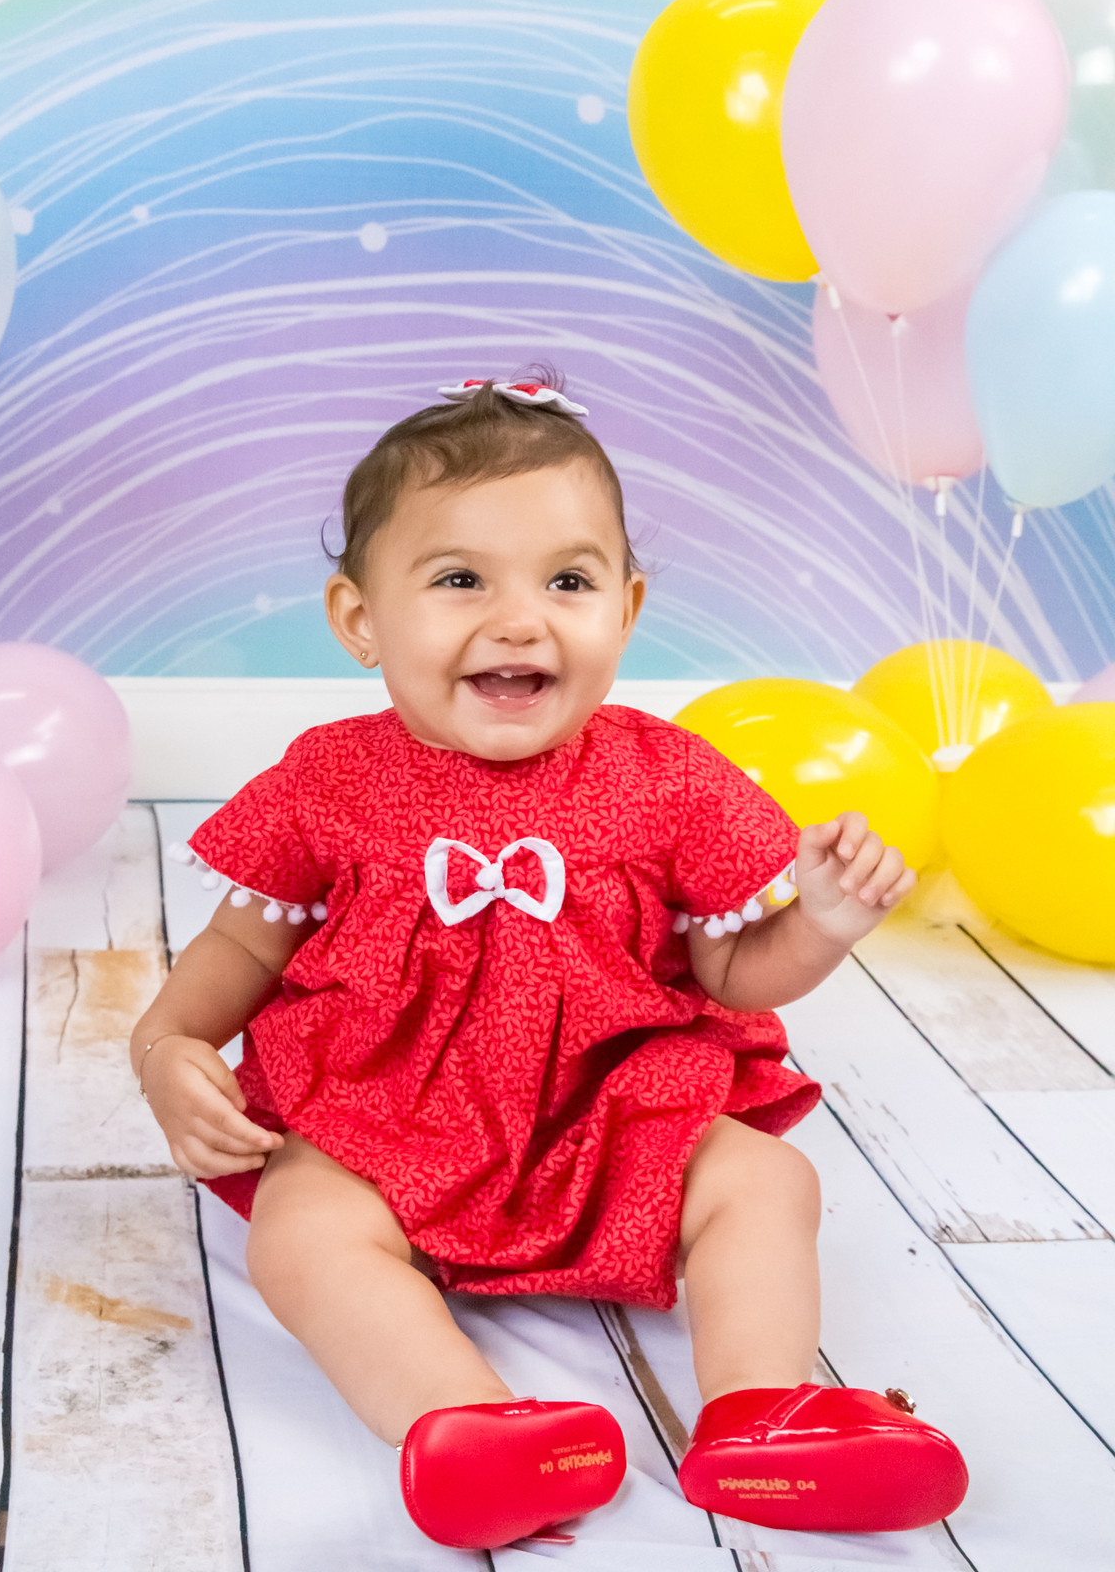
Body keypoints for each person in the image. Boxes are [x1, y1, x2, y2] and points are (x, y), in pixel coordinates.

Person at [131, 374, 968, 1549]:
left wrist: (820, 923)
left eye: (567, 582)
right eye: (461, 579)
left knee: (766, 1183)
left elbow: (732, 977)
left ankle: (758, 1416)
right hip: (385, 1114)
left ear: (624, 611)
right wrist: (167, 1043)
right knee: (302, 1232)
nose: (521, 620)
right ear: (361, 617)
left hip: (607, 1112)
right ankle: (471, 1426)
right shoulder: (331, 778)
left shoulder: (667, 776)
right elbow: (243, 939)